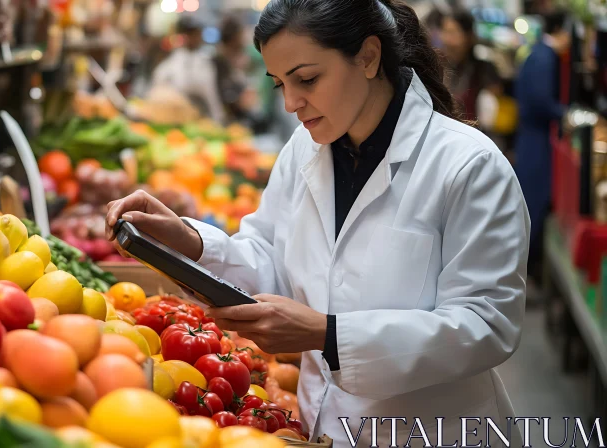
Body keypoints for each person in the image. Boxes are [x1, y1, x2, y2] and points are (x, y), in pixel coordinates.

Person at [107, 0, 528, 445]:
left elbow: (487, 324)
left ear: (368, 57)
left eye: (307, 79)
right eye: (279, 84)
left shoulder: (469, 166)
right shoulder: (305, 150)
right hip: (320, 427)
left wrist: (328, 335)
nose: (291, 102)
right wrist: (189, 242)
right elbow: (271, 261)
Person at [514, 10, 569, 285]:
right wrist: (566, 114)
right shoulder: (545, 58)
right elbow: (541, 101)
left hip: (530, 137)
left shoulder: (536, 52)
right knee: (534, 202)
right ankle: (522, 273)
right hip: (536, 140)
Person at [151, 16, 226, 124]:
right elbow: (157, 94)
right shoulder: (169, 65)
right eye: (192, 34)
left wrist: (218, 119)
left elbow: (212, 96)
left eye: (198, 34)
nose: (196, 38)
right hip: (176, 121)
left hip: (204, 120)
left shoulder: (206, 61)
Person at [440, 9, 502, 122]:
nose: (447, 40)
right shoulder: (437, 66)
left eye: (453, 33)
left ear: (469, 36)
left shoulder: (483, 70)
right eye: (445, 32)